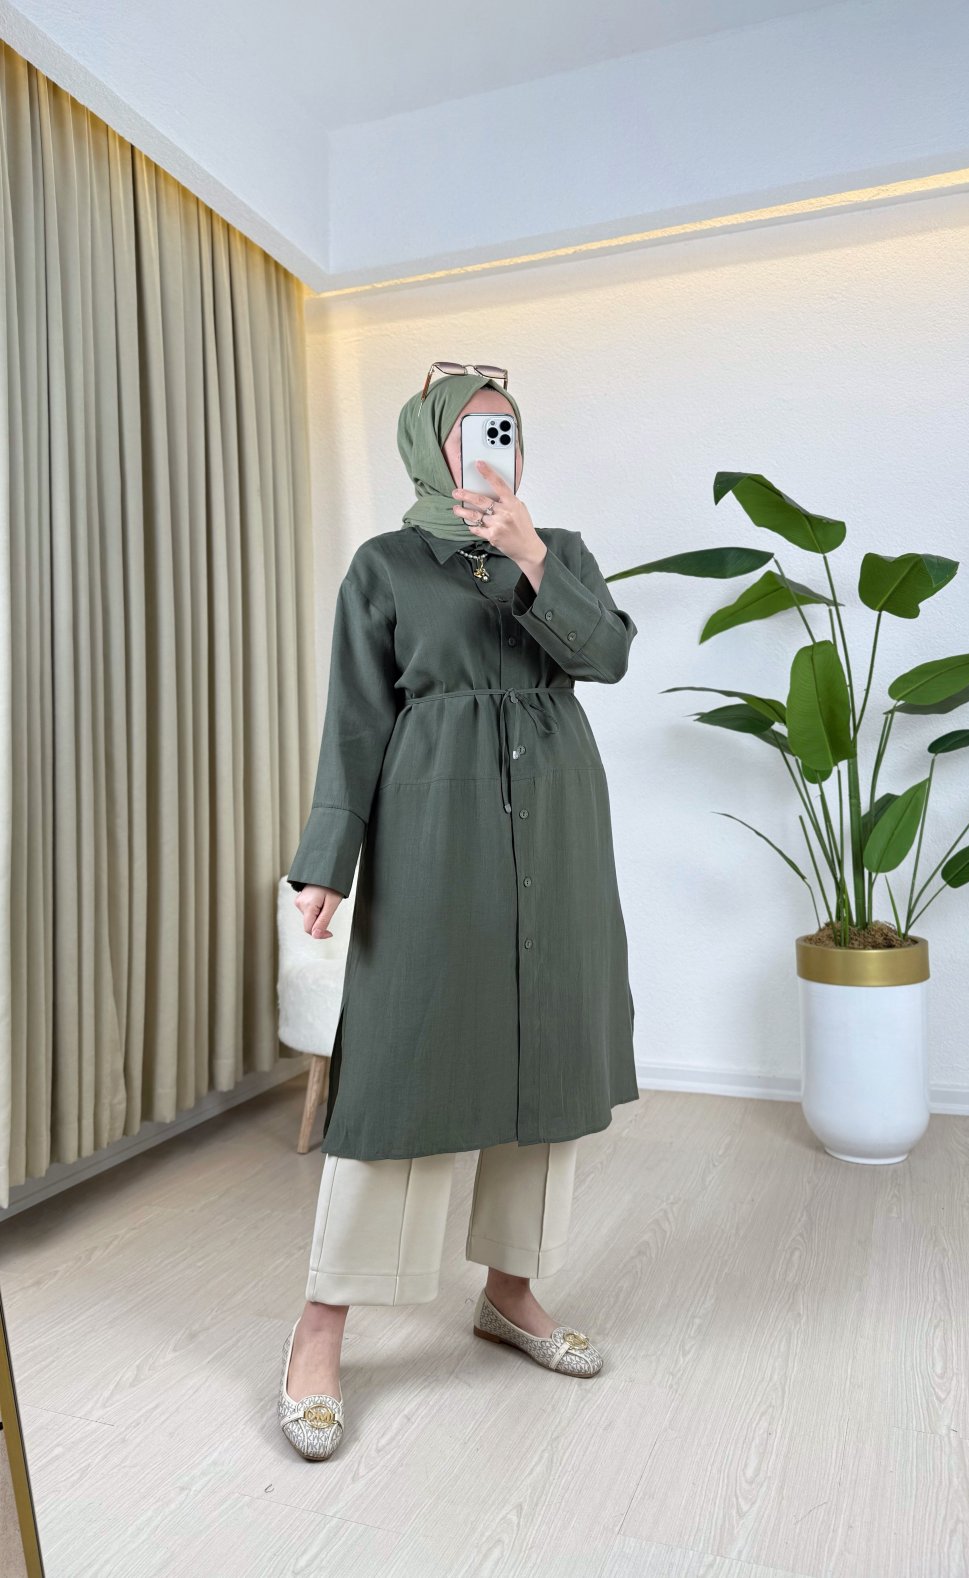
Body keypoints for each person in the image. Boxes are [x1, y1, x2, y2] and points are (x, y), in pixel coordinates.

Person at [276, 363, 639, 1460]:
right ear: (432, 446)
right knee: (405, 1067)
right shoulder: (385, 566)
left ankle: (510, 1292)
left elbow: (608, 656)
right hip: (434, 831)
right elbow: (355, 719)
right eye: (478, 430)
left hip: (557, 828)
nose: (497, 447)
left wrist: (531, 558)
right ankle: (320, 1328)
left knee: (546, 1062)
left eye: (509, 430)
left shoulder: (560, 550)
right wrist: (327, 862)